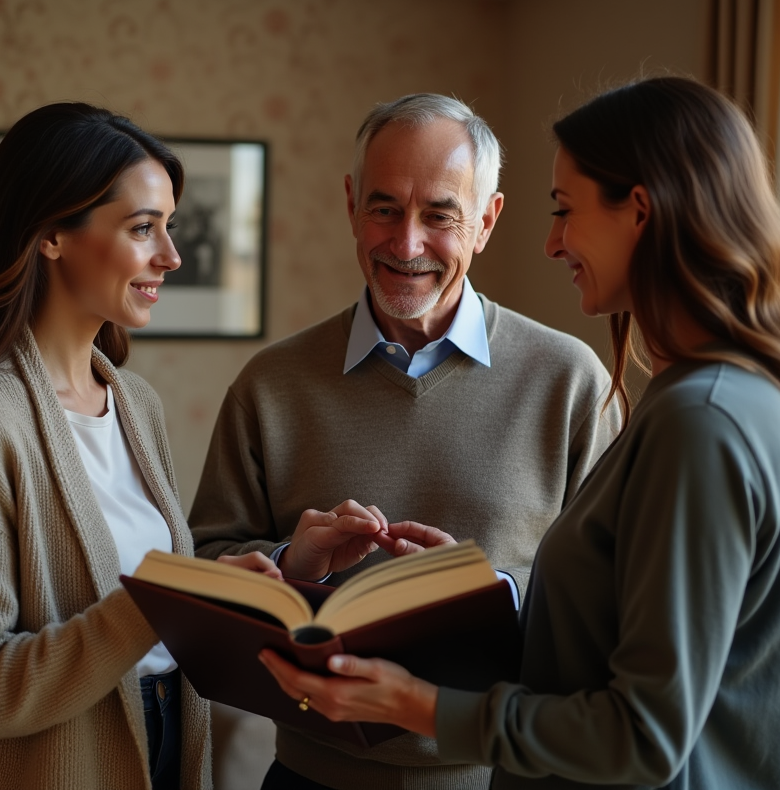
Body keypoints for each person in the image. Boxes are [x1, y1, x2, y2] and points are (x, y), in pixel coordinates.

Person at [258, 76, 780, 789]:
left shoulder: (699, 419)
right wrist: (481, 598)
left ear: (638, 212)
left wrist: (416, 704)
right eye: (384, 207)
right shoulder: (716, 400)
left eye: (565, 210)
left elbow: (642, 735)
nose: (551, 243)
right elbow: (618, 644)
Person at [189, 93, 620, 789]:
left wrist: (491, 599)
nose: (406, 243)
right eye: (384, 208)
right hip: (307, 780)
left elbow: (617, 604)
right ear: (351, 205)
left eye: (440, 216)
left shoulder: (571, 383)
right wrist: (290, 562)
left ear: (487, 221)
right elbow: (204, 573)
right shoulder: (269, 385)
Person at [0, 102, 277, 790]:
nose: (171, 255)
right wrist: (157, 605)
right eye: (143, 228)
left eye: (168, 227)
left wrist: (289, 569)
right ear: (52, 234)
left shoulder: (137, 405)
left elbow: (169, 610)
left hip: (171, 745)